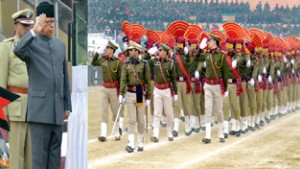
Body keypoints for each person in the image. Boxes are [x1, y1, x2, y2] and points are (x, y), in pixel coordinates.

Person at [13, 2, 72, 168]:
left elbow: (64, 78)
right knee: (39, 160)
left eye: (53, 22)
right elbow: (17, 50)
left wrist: (66, 106)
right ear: (39, 22)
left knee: (54, 160)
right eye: (47, 23)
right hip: (39, 112)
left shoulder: (60, 45)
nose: (51, 26)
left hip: (57, 111)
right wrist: (34, 30)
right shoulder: (30, 43)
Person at [0, 8, 34, 169]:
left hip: (35, 107)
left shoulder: (35, 47)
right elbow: (1, 81)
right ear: (15, 26)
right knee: (16, 159)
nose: (27, 29)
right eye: (24, 25)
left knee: (32, 158)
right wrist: (3, 111)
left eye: (29, 26)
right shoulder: (6, 47)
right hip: (15, 107)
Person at [119, 41, 152, 153]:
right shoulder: (126, 64)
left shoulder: (144, 64)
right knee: (131, 120)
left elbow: (148, 81)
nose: (129, 52)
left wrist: (148, 97)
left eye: (131, 50)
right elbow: (123, 79)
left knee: (140, 120)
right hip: (129, 92)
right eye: (129, 50)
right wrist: (121, 93)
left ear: (137, 51)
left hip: (139, 92)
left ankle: (140, 142)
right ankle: (131, 143)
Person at [91, 40, 123, 142]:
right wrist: (97, 53)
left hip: (114, 89)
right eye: (106, 48)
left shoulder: (118, 62)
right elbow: (93, 63)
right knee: (104, 111)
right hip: (105, 89)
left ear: (112, 50)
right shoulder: (103, 59)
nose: (106, 49)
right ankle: (103, 134)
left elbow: (121, 78)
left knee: (115, 112)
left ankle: (117, 132)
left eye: (108, 48)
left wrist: (121, 92)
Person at [200, 34, 228, 144]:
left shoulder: (221, 55)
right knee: (208, 110)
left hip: (217, 86)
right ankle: (207, 135)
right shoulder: (206, 54)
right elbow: (196, 58)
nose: (208, 42)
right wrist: (200, 48)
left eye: (210, 40)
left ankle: (220, 133)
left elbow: (225, 73)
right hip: (208, 84)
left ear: (215, 42)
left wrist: (225, 88)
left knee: (219, 111)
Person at [148, 44, 177, 142]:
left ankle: (169, 132)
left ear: (165, 52)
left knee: (169, 113)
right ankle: (155, 134)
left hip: (167, 90)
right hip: (157, 89)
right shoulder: (154, 61)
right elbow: (146, 62)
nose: (158, 52)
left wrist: (176, 93)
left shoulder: (171, 63)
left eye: (160, 50)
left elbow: (173, 78)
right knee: (157, 113)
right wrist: (149, 53)